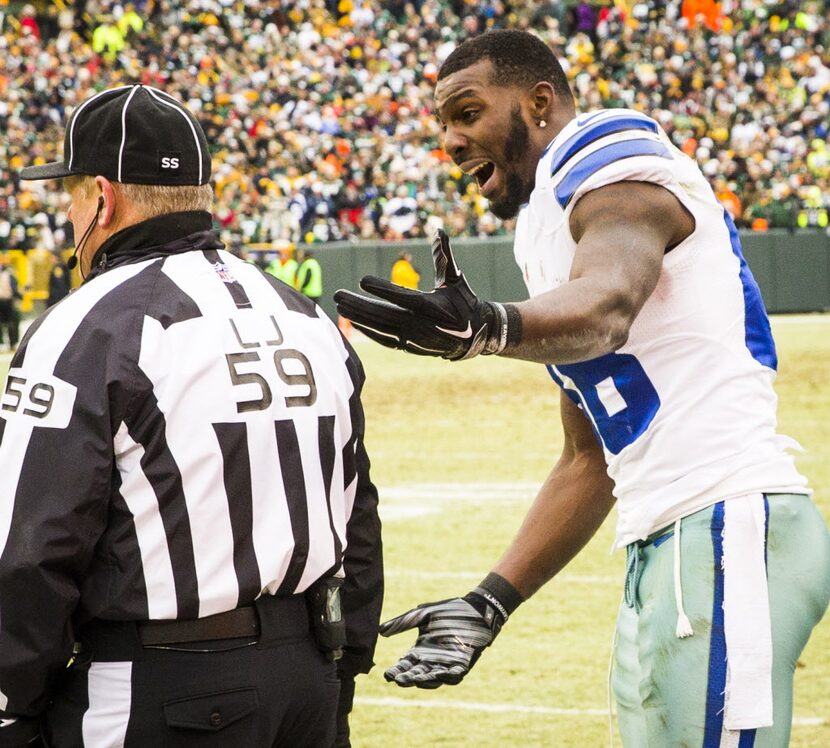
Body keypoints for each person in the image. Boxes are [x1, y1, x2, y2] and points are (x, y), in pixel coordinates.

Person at [335, 30, 830, 746]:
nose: (450, 141)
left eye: (467, 113)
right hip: (667, 538)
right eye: (443, 125)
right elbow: (588, 459)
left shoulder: (602, 146)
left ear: (540, 102)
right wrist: (490, 601)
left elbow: (610, 304)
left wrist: (488, 328)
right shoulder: (545, 227)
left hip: (723, 521)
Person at [2, 84, 383, 748]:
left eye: (68, 198)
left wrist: (10, 706)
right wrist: (343, 662)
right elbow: (359, 513)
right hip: (307, 677)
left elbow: (30, 550)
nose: (66, 217)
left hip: (161, 683)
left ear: (103, 197)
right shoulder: (306, 315)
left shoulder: (87, 327)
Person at [0, 256, 22, 352]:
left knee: (11, 323)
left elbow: (14, 288)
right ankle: (2, 343)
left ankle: (12, 343)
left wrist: (18, 297)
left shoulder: (9, 273)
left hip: (8, 301)